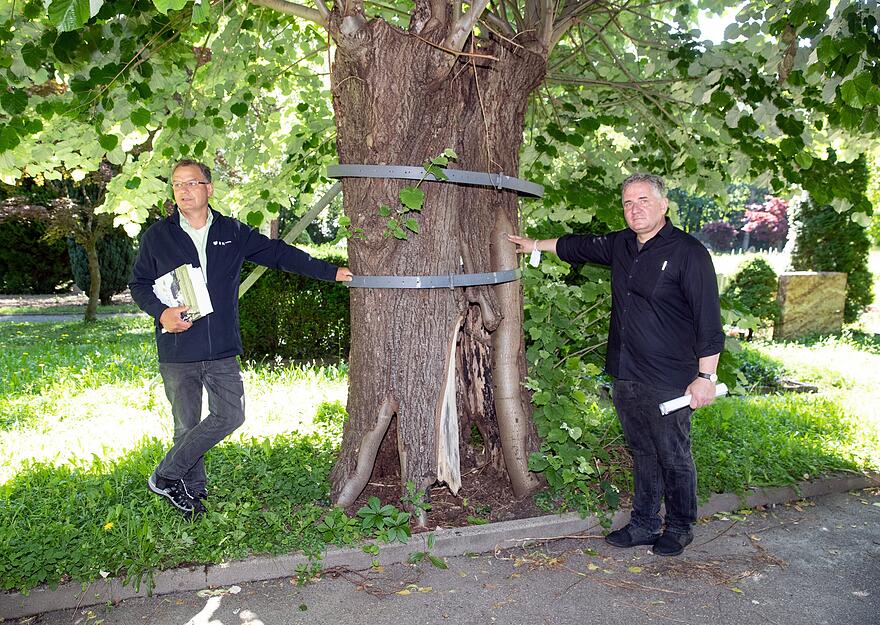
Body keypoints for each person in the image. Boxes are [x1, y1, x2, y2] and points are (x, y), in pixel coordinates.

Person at [508, 173, 724, 557]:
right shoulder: (622, 244)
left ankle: (680, 526)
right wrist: (534, 244)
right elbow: (579, 247)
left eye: (643, 200)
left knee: (673, 453)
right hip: (626, 371)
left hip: (670, 376)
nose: (634, 209)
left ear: (663, 205)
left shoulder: (689, 253)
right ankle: (643, 523)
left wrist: (705, 377)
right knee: (642, 450)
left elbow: (709, 322)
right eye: (627, 202)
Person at [130, 159, 353, 518]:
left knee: (230, 414)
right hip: (177, 348)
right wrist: (161, 313)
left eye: (191, 183)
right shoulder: (159, 235)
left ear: (208, 188)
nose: (183, 192)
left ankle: (165, 475)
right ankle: (190, 493)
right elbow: (138, 284)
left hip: (220, 348)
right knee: (186, 425)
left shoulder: (232, 231)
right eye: (176, 185)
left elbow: (279, 254)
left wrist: (330, 271)